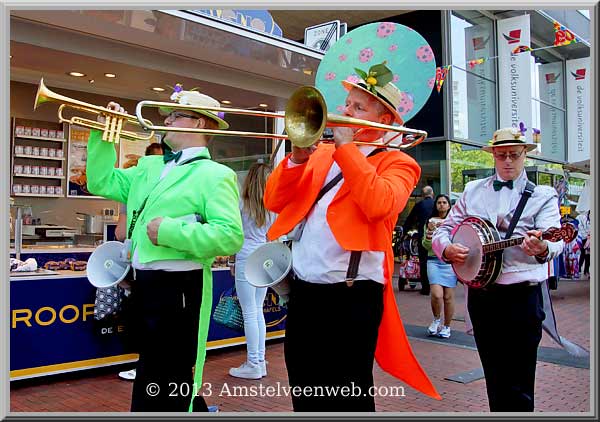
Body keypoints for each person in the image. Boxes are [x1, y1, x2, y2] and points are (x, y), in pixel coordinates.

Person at [264, 61, 440, 412]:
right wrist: (297, 159)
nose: (346, 112)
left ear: (384, 120)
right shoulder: (322, 153)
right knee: (305, 388)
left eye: (359, 107)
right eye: (348, 104)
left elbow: (379, 205)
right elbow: (273, 201)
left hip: (352, 295)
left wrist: (346, 150)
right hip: (305, 291)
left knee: (347, 394)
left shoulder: (399, 162)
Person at [86, 86, 244, 412]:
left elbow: (230, 237)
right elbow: (99, 182)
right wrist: (104, 136)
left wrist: (171, 231)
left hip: (179, 288)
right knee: (149, 371)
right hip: (146, 284)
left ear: (198, 124)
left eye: (174, 115)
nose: (167, 120)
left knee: (171, 373)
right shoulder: (149, 167)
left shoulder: (216, 175)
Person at [432, 126, 564, 412]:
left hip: (522, 298)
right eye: (501, 155)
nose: (507, 161)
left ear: (524, 155)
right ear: (492, 154)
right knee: (494, 376)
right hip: (483, 298)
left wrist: (542, 248)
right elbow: (445, 230)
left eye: (514, 155)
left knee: (520, 381)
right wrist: (447, 249)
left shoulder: (543, 195)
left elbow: (556, 239)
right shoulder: (472, 191)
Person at [114, 142, 163, 382]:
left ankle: (143, 365)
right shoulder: (168, 185)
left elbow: (120, 233)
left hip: (140, 262)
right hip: (164, 265)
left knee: (144, 318)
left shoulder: (133, 186)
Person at [228, 162, 274, 379]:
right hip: (262, 259)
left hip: (245, 257)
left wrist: (231, 262)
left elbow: (233, 236)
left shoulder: (241, 204)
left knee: (249, 312)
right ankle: (259, 360)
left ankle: (253, 362)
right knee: (257, 311)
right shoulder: (272, 207)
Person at [421, 194, 456, 339]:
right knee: (436, 294)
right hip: (433, 260)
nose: (441, 205)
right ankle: (436, 319)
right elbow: (426, 245)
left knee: (448, 297)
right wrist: (429, 232)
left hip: (449, 262)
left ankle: (447, 326)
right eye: (439, 202)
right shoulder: (429, 222)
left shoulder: (454, 222)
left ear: (449, 205)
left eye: (444, 203)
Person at [403, 185, 435, 294]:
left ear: (422, 195)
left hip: (423, 236)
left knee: (423, 261)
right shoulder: (437, 204)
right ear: (432, 194)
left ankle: (426, 288)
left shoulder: (419, 205)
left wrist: (405, 232)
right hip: (437, 236)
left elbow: (410, 220)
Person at [576, 210, 591, 278]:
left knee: (588, 255)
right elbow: (580, 228)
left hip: (589, 238)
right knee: (584, 254)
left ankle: (586, 270)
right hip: (585, 238)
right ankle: (580, 268)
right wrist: (586, 235)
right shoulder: (581, 218)